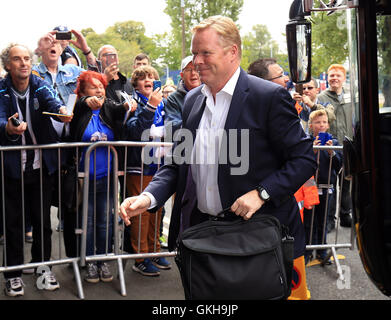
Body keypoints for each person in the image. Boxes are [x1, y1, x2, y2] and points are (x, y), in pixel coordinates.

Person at [120, 15, 317, 293]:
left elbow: (304, 159)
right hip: (203, 242)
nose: (196, 62)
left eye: (205, 53)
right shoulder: (192, 100)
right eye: (193, 54)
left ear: (232, 52)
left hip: (258, 242)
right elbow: (177, 162)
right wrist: (148, 196)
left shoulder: (268, 97)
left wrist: (261, 193)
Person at [0, 43, 71, 296]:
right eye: (17, 59)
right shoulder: (1, 89)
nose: (24, 63)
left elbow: (53, 100)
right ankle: (13, 275)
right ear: (8, 65)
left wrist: (62, 111)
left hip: (40, 167)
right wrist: (7, 128)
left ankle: (44, 268)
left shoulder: (39, 83)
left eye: (27, 58)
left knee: (42, 223)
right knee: (13, 225)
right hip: (10, 170)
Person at [70, 70, 130, 283]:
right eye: (93, 86)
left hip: (108, 176)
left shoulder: (108, 107)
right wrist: (86, 102)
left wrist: (126, 106)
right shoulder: (77, 107)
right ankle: (88, 263)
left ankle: (102, 260)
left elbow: (119, 108)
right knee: (87, 221)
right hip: (84, 177)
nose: (99, 90)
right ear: (84, 91)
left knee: (105, 221)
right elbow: (75, 106)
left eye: (101, 86)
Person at [124, 65, 171, 276]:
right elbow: (135, 131)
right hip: (138, 165)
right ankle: (140, 257)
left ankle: (154, 251)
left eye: (151, 77)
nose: (148, 80)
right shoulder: (132, 102)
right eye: (143, 78)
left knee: (156, 211)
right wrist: (150, 107)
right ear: (136, 84)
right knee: (140, 214)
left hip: (159, 164)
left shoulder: (163, 103)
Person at [304, 109, 343, 264]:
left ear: (328, 125)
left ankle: (322, 250)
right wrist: (312, 150)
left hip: (327, 186)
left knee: (323, 220)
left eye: (324, 122)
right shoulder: (306, 141)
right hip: (309, 188)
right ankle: (306, 250)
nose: (321, 125)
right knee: (308, 221)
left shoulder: (333, 142)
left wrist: (331, 151)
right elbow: (301, 162)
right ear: (311, 125)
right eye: (317, 122)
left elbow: (340, 164)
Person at [317, 64, 353, 228]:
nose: (334, 78)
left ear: (344, 78)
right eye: (331, 75)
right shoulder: (322, 97)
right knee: (330, 186)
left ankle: (346, 216)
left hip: (347, 147)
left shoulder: (351, 97)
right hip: (330, 148)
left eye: (338, 75)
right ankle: (329, 221)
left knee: (346, 185)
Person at [164, 55, 201, 134]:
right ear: (182, 75)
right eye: (189, 70)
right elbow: (171, 127)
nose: (193, 73)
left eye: (196, 69)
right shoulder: (173, 99)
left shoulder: (210, 93)